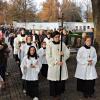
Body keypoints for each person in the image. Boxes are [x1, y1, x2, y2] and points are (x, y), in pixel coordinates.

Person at [46, 31, 70, 100]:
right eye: (56, 37)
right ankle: (54, 95)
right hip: (53, 66)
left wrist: (63, 54)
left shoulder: (62, 44)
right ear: (53, 37)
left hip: (62, 65)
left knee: (60, 80)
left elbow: (67, 53)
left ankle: (59, 93)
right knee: (53, 81)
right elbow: (48, 56)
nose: (57, 38)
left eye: (58, 37)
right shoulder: (49, 45)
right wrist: (56, 62)